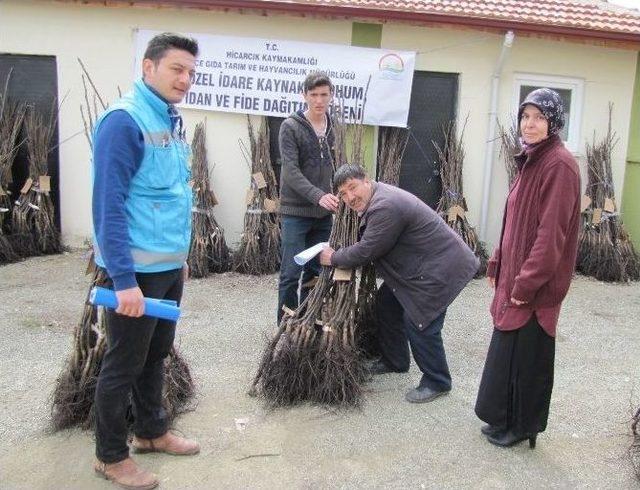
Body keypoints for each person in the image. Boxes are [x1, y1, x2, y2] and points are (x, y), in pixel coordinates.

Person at [91, 33, 200, 489]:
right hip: (134, 274)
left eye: (191, 72)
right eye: (177, 69)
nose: (185, 79)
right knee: (123, 363)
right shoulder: (124, 121)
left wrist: (181, 261)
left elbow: (172, 196)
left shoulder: (169, 122)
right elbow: (108, 206)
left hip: (167, 268)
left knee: (155, 355)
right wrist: (122, 280)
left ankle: (151, 432)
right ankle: (110, 456)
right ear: (148, 67)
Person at [475, 88, 581, 449]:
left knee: (528, 359)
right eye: (525, 116)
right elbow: (514, 220)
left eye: (538, 117)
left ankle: (522, 426)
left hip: (534, 286)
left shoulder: (559, 165)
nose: (530, 124)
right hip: (515, 276)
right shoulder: (531, 159)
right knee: (507, 354)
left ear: (553, 122)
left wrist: (525, 284)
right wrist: (497, 262)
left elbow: (552, 235)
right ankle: (503, 418)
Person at [319, 164, 479, 403]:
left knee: (421, 320)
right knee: (387, 302)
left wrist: (334, 257)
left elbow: (369, 249)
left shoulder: (385, 205)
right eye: (343, 194)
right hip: (422, 266)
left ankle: (437, 381)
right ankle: (395, 360)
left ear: (367, 181)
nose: (350, 197)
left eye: (353, 188)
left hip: (440, 268)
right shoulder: (378, 198)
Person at [277, 72, 339, 322]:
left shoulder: (335, 128)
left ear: (331, 96)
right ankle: (285, 327)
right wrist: (318, 196)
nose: (319, 100)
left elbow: (338, 165)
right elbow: (290, 171)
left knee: (316, 271)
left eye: (324, 94)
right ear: (304, 96)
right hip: (296, 214)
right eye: (313, 95)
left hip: (323, 216)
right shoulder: (290, 127)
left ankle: (306, 322)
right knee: (291, 273)